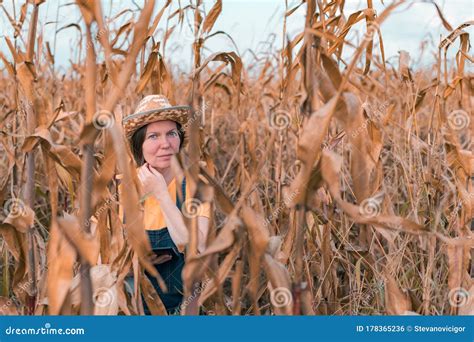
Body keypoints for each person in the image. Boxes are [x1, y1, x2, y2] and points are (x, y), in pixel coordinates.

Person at [121, 94, 210, 315]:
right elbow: (101, 260)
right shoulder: (121, 189)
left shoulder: (196, 185)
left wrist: (161, 192)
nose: (165, 144)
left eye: (171, 134)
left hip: (183, 309)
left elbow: (199, 250)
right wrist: (136, 261)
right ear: (139, 145)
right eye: (153, 136)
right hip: (132, 307)